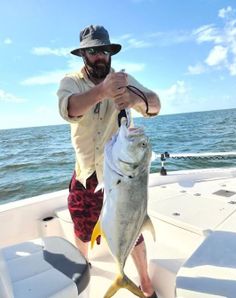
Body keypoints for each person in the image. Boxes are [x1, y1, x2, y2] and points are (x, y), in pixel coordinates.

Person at [57, 25, 161, 298]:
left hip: (120, 174)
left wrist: (135, 97)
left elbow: (156, 106)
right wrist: (102, 91)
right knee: (81, 229)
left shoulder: (124, 80)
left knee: (133, 230)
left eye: (104, 50)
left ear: (110, 53)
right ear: (83, 55)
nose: (99, 56)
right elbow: (69, 109)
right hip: (87, 174)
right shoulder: (71, 81)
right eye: (92, 51)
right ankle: (84, 273)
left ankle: (146, 285)